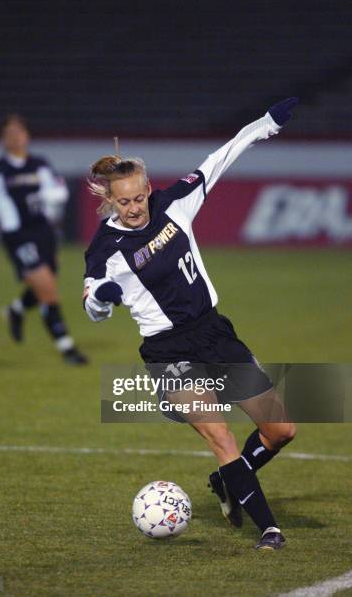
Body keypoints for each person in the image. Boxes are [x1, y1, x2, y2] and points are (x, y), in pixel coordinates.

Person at [82, 98, 299, 549]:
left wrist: (266, 124)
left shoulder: (174, 203)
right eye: (124, 202)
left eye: (140, 197)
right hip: (168, 351)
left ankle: (227, 483)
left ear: (148, 188)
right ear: (109, 200)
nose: (135, 207)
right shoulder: (105, 248)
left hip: (214, 333)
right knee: (220, 433)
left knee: (280, 430)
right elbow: (91, 299)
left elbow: (218, 159)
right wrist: (103, 298)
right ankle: (269, 530)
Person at [0, 114, 87, 365]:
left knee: (43, 285)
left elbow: (59, 190)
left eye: (19, 132)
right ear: (3, 140)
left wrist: (53, 195)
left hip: (43, 232)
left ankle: (16, 310)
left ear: (27, 136)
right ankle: (67, 348)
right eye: (9, 133)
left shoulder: (40, 164)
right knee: (47, 288)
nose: (15, 137)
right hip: (18, 236)